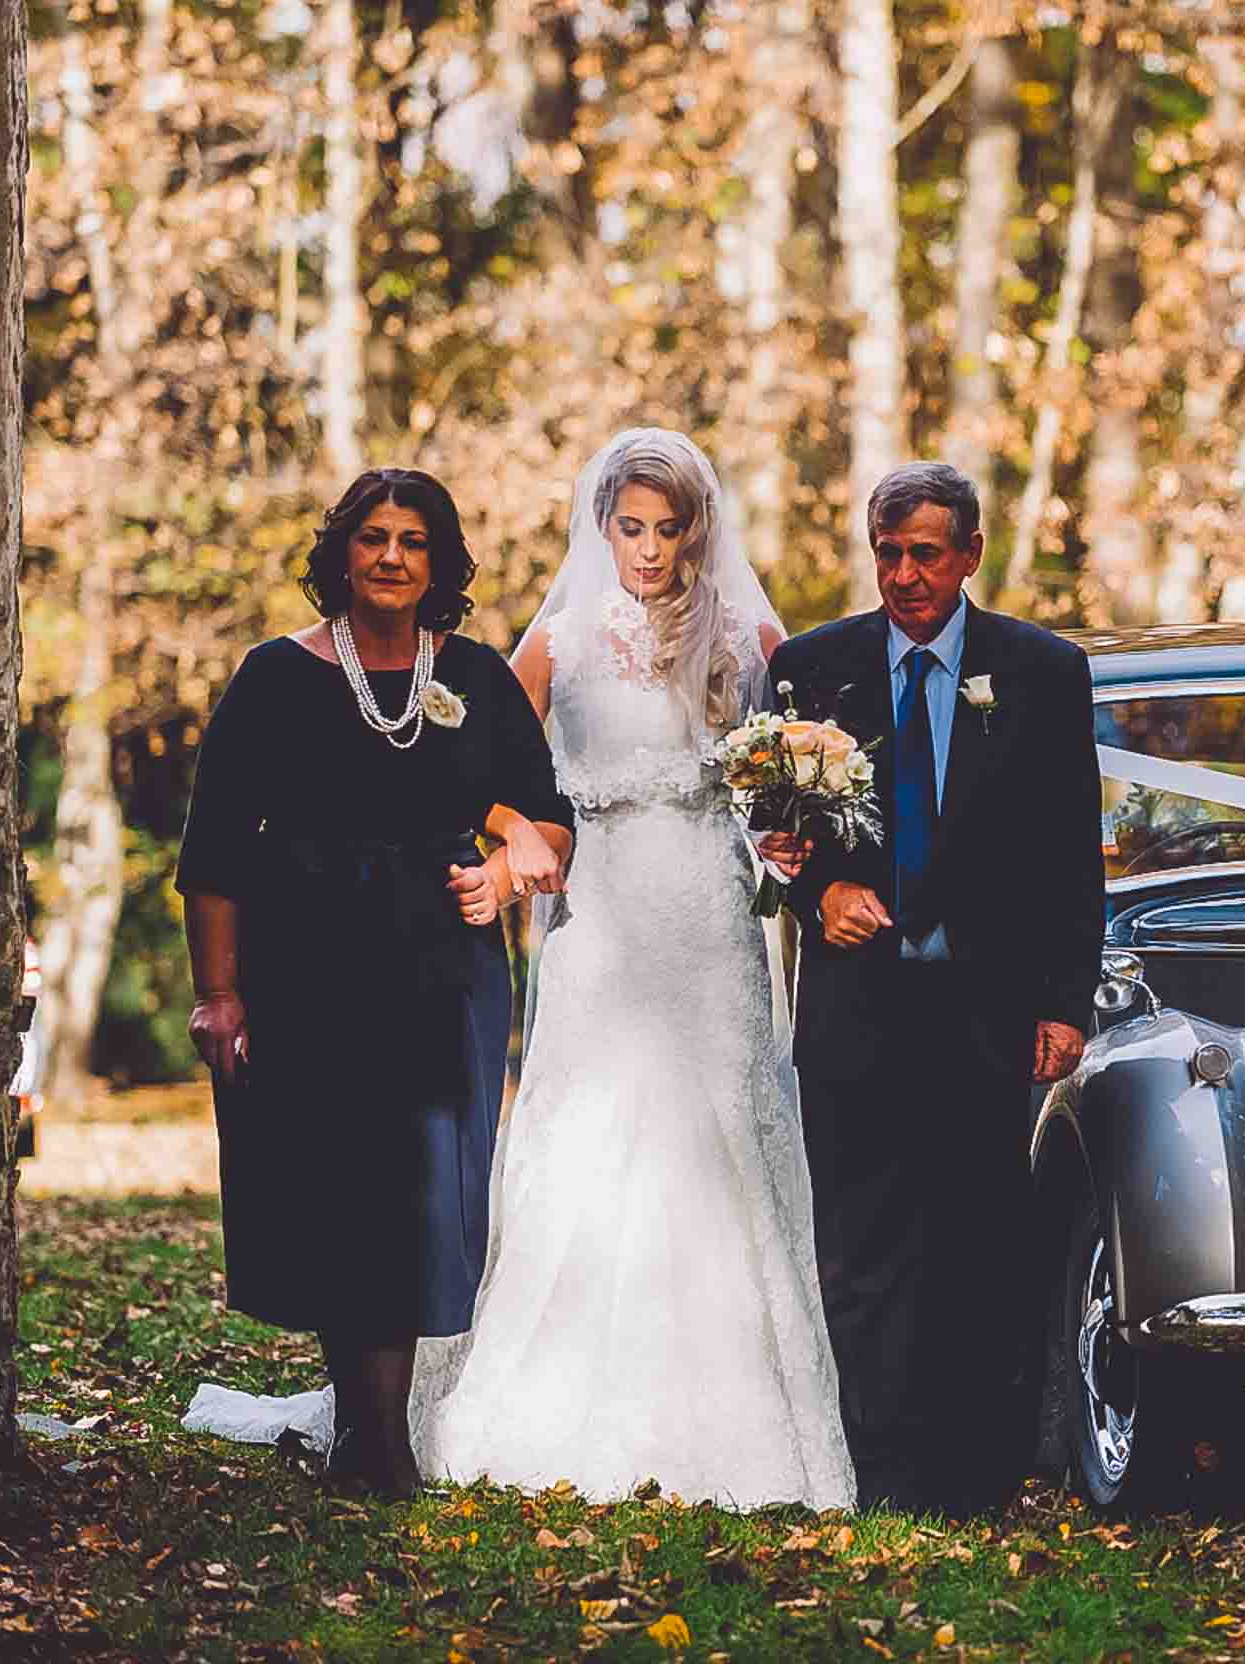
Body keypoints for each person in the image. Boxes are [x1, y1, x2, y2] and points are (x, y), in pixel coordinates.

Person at [411, 429, 855, 1511]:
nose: (649, 549)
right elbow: (479, 760)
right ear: (600, 527)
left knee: (720, 1124)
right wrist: (513, 838)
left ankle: (749, 1405)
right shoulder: (558, 640)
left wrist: (790, 827)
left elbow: (781, 771)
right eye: (630, 528)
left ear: (698, 528)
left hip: (708, 907)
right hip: (601, 909)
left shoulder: (748, 633)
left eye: (668, 528)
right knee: (598, 1116)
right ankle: (548, 1387)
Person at [176, 467, 575, 1500]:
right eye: (372, 537)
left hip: (441, 970)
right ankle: (366, 1426)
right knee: (332, 1184)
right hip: (305, 960)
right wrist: (218, 993)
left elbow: (547, 820)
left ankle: (379, 1435)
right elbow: (213, 849)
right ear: (340, 554)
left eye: (411, 539)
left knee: (418, 1197)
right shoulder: (274, 675)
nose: (391, 555)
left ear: (439, 563)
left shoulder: (479, 679)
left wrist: (498, 872)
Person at [767, 462, 1106, 1514]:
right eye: (887, 550)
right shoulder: (811, 668)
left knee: (976, 1242)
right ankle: (880, 1467)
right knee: (863, 1249)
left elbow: (1066, 850)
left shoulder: (1041, 669)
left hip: (987, 1008)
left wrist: (1065, 999)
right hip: (856, 1009)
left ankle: (975, 1467)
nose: (904, 574)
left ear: (968, 555)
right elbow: (777, 834)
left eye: (924, 552)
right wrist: (820, 889)